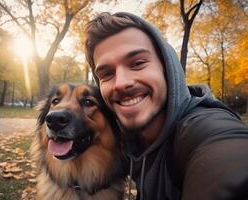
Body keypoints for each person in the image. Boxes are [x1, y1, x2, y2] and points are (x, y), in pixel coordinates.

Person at [84, 12, 248, 200]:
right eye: (106, 74)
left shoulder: (202, 128)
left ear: (167, 67)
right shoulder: (125, 142)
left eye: (138, 63)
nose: (121, 83)